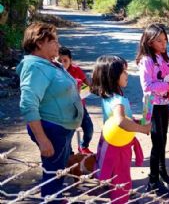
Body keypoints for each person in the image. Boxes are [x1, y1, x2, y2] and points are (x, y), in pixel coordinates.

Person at [17, 22, 83, 201]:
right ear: (39, 43)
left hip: (60, 128)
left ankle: (55, 198)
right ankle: (52, 199)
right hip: (51, 130)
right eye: (53, 41)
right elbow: (28, 104)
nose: (58, 45)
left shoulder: (49, 64)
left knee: (58, 173)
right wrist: (42, 139)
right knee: (54, 175)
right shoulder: (35, 67)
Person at [91, 55, 151, 203]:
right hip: (119, 145)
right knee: (122, 176)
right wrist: (142, 129)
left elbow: (118, 118)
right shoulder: (118, 100)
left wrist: (135, 120)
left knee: (114, 173)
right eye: (124, 71)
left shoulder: (109, 96)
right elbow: (120, 121)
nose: (127, 74)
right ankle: (120, 200)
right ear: (113, 76)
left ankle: (118, 196)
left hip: (111, 141)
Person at [136, 23, 169, 197]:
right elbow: (147, 87)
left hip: (164, 105)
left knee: (163, 140)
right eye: (159, 41)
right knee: (157, 144)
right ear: (149, 42)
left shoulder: (165, 58)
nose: (164, 45)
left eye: (165, 41)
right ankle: (153, 180)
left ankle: (163, 173)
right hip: (151, 106)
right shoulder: (146, 60)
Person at [58, 46, 94, 154]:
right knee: (68, 133)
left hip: (80, 107)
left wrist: (88, 88)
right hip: (64, 109)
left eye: (65, 60)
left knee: (89, 129)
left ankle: (84, 146)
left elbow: (87, 83)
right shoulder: (54, 73)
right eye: (59, 61)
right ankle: (69, 152)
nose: (62, 63)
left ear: (70, 60)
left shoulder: (76, 70)